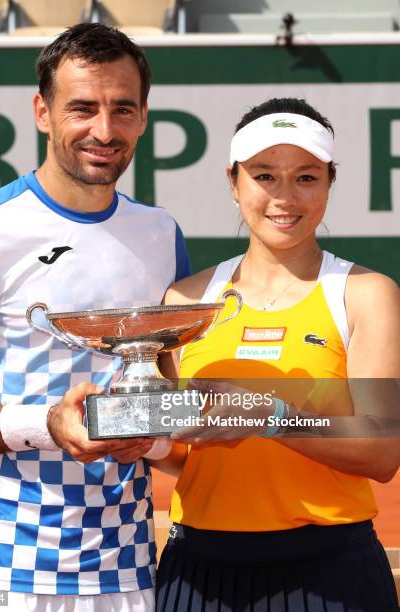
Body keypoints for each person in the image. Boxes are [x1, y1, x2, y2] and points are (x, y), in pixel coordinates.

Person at [0, 23, 190, 611]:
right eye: (82, 108)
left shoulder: (161, 234)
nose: (104, 131)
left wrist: (155, 432)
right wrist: (45, 424)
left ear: (144, 117)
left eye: (122, 109)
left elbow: (169, 388)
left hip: (126, 575)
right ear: (42, 112)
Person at [153, 98, 400, 611]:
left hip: (331, 573)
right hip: (198, 567)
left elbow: (382, 452)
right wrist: (139, 438)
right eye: (265, 175)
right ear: (233, 181)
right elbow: (181, 451)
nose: (285, 197)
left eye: (306, 177)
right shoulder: (183, 301)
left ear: (330, 182)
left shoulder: (366, 294)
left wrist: (270, 415)